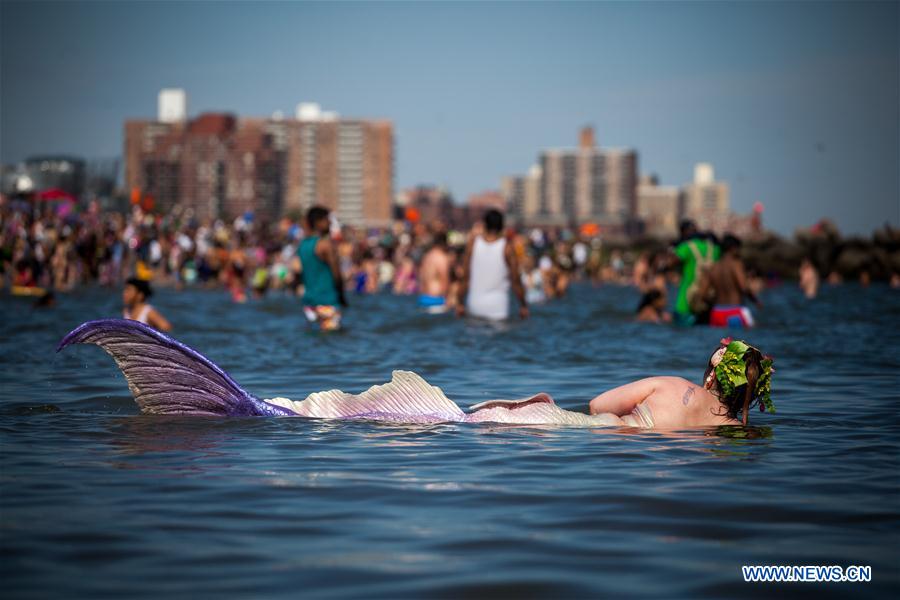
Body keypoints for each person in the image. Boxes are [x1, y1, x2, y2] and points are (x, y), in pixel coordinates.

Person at [589, 338, 774, 428]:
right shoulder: (736, 433)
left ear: (712, 375)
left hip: (603, 435)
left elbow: (596, 406)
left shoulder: (674, 386)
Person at [456, 210, 528, 321]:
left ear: (485, 225)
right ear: (502, 226)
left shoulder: (473, 244)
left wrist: (460, 302)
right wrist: (523, 305)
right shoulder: (507, 248)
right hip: (498, 308)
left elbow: (465, 276)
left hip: (475, 305)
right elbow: (515, 279)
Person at [298, 206, 347, 332]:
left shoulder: (303, 245)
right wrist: (341, 296)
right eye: (327, 219)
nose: (330, 223)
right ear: (318, 222)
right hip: (328, 301)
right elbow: (336, 274)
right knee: (332, 341)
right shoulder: (326, 245)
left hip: (309, 303)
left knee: (311, 340)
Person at [695, 234, 760, 328]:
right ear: (733, 248)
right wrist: (755, 300)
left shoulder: (714, 267)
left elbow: (702, 294)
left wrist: (713, 303)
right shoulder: (736, 264)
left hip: (717, 313)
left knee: (722, 342)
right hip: (735, 311)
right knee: (753, 334)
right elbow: (743, 287)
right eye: (738, 249)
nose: (740, 252)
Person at [673, 220, 719, 326]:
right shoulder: (714, 249)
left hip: (685, 305)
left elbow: (669, 263)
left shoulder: (685, 247)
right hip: (708, 305)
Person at [418, 231, 452, 313]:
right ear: (444, 243)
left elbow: (421, 277)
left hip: (423, 299)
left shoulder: (427, 257)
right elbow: (445, 279)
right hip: (437, 300)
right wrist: (447, 299)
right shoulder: (441, 257)